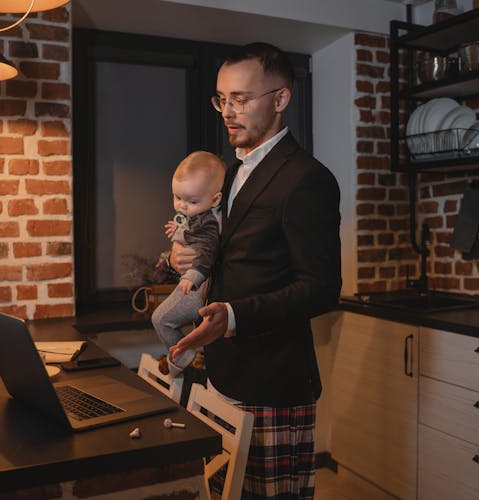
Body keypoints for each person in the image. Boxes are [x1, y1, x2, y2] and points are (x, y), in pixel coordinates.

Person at [169, 42, 341, 499]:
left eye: (241, 99)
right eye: (222, 99)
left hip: (273, 382)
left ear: (281, 99)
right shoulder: (227, 172)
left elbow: (322, 289)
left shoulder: (308, 179)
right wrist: (179, 259)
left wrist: (236, 315)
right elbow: (220, 252)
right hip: (224, 371)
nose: (228, 110)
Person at [151, 151, 225, 376]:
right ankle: (190, 354)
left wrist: (192, 275)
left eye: (191, 201)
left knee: (161, 318)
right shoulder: (199, 213)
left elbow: (207, 250)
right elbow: (192, 238)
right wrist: (178, 244)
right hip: (195, 282)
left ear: (215, 199)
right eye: (178, 198)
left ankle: (185, 357)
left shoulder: (209, 220)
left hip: (200, 285)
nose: (182, 206)